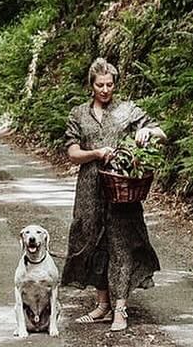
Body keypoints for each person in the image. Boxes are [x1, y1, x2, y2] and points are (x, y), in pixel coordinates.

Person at [63, 57, 165, 332]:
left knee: (121, 242)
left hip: (121, 186)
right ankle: (102, 305)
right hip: (89, 187)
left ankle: (120, 308)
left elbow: (162, 133)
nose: (105, 90)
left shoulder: (128, 110)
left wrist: (146, 131)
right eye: (100, 85)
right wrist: (95, 154)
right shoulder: (79, 114)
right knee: (93, 241)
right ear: (91, 85)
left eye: (109, 85)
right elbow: (72, 153)